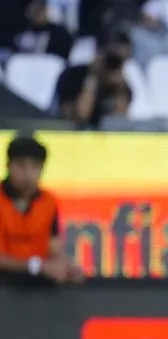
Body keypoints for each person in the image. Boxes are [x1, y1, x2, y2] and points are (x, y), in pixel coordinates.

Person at [0, 135, 84, 285]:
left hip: (38, 286)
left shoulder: (48, 202)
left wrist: (68, 265)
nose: (28, 175)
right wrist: (37, 266)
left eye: (35, 167)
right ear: (8, 165)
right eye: (21, 166)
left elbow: (54, 248)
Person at [54, 25, 133, 128]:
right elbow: (78, 118)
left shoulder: (123, 86)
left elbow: (119, 123)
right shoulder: (72, 76)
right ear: (98, 52)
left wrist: (120, 90)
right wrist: (92, 78)